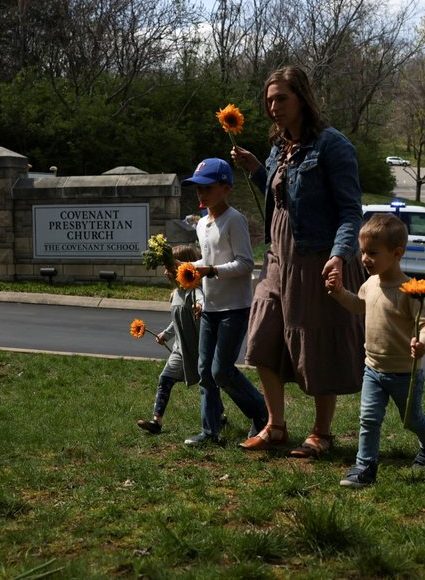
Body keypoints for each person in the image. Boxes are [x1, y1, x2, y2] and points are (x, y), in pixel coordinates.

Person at [230, 65, 365, 457]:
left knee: (316, 344)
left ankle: (321, 433)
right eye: (269, 100)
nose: (273, 107)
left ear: (302, 97)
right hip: (278, 260)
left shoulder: (332, 145)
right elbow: (283, 199)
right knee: (262, 337)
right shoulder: (279, 147)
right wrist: (258, 168)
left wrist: (339, 255)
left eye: (281, 98)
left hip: (316, 260)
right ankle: (275, 426)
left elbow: (350, 211)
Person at [326, 214, 425, 487]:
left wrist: (422, 342)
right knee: (368, 419)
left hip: (405, 372)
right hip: (373, 368)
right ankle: (365, 468)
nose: (365, 258)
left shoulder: (410, 291)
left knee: (411, 418)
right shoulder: (370, 284)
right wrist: (338, 292)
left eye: (372, 253)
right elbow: (359, 306)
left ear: (397, 253)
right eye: (363, 252)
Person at [181, 158, 267, 446]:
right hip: (210, 308)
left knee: (222, 371)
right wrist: (188, 272)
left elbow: (245, 264)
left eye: (207, 187)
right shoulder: (202, 224)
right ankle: (210, 431)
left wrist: (212, 271)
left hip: (235, 308)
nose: (201, 194)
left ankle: (262, 414)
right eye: (197, 189)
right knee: (205, 371)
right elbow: (206, 262)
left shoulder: (235, 220)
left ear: (226, 188)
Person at [137, 244, 216, 435]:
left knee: (208, 384)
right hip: (180, 349)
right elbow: (177, 321)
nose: (165, 272)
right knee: (165, 379)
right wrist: (166, 334)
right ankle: (157, 421)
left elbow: (200, 301)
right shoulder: (175, 294)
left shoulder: (194, 291)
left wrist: (200, 305)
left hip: (199, 348)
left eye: (169, 267)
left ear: (184, 267)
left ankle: (218, 415)